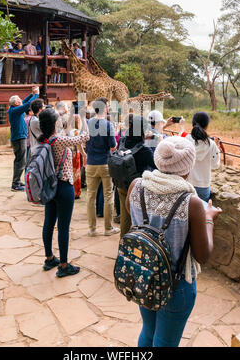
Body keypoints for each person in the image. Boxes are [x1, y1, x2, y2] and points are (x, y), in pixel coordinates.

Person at [126, 136, 222, 347]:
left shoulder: (136, 186)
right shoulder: (192, 203)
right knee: (165, 341)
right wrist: (208, 218)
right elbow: (202, 255)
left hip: (144, 274)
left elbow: (133, 220)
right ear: (188, 167)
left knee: (149, 332)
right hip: (176, 284)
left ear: (158, 159)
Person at [39, 106, 89, 277]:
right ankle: (64, 265)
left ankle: (49, 258)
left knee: (48, 223)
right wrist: (83, 118)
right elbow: (86, 137)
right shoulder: (59, 141)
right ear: (54, 123)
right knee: (63, 227)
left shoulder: (44, 140)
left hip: (49, 186)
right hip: (64, 186)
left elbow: (64, 133)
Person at [117, 115, 156, 237]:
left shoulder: (122, 140)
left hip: (121, 183)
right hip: (137, 188)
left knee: (125, 217)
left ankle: (122, 244)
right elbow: (157, 164)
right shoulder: (144, 150)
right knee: (138, 219)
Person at [86, 97, 119, 237]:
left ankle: (92, 229)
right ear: (105, 108)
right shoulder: (108, 125)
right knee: (108, 196)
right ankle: (107, 228)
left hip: (91, 164)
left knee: (90, 196)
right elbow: (113, 145)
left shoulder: (88, 123)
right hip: (105, 163)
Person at [179, 112, 220, 202]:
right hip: (203, 186)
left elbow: (180, 138)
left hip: (187, 184)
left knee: (186, 213)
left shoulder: (186, 139)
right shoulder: (211, 143)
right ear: (207, 126)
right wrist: (217, 148)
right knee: (201, 213)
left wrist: (181, 127)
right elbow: (215, 165)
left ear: (193, 124)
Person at [8, 86, 39, 191]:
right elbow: (27, 105)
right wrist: (36, 95)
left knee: (20, 160)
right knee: (21, 161)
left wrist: (31, 94)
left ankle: (17, 181)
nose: (21, 100)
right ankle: (15, 184)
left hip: (19, 138)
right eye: (19, 100)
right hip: (19, 138)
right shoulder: (14, 110)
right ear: (16, 103)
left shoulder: (14, 109)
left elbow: (25, 101)